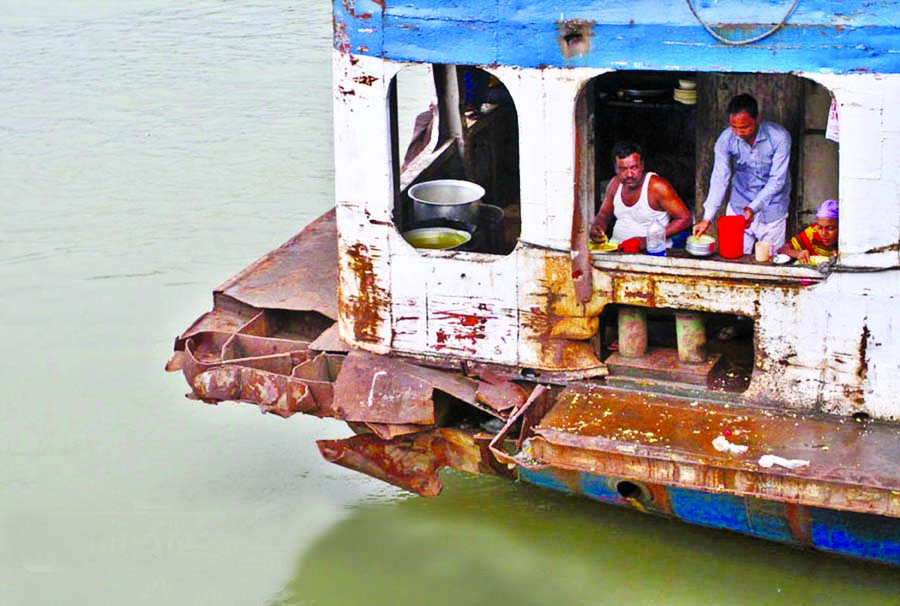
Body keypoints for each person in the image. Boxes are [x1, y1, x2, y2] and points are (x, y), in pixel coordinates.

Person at [692, 94, 792, 255]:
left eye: (745, 127)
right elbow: (720, 177)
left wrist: (753, 209)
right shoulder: (726, 139)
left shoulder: (779, 137)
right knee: (734, 258)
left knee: (770, 262)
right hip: (739, 206)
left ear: (758, 119)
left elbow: (777, 180)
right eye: (734, 127)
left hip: (772, 208)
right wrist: (707, 218)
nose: (739, 132)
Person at [590, 141, 692, 250]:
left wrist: (646, 240)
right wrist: (598, 227)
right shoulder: (614, 184)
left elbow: (685, 219)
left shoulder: (657, 187)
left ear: (642, 166)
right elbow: (604, 214)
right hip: (617, 249)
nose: (629, 175)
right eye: (623, 169)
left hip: (653, 252)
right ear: (615, 168)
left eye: (634, 168)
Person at [778, 199, 839, 263]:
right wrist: (798, 253)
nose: (824, 233)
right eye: (820, 227)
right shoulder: (813, 232)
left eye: (830, 228)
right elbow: (782, 250)